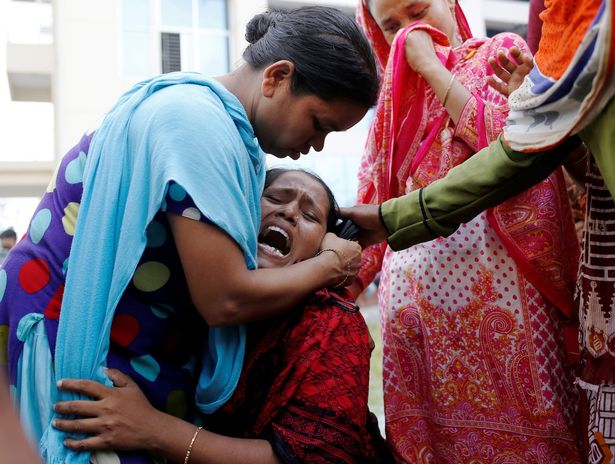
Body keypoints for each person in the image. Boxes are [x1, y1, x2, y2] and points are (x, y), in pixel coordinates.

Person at [0, 7, 379, 463]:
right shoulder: (197, 124)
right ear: (277, 76)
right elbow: (226, 300)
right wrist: (331, 264)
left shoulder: (224, 132)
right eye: (319, 123)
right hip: (70, 347)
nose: (317, 145)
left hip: (126, 355)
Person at [342, 0, 615, 460]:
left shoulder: (500, 54)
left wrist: (431, 68)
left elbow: (514, 150)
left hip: (503, 299)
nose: (411, 32)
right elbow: (374, 199)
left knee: (533, 433)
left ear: (449, 3)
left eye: (418, 10)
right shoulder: (392, 101)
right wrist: (337, 283)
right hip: (415, 312)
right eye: (393, 27)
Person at [50, 168, 392, 464]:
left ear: (322, 248)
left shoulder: (331, 323)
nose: (289, 212)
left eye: (310, 215)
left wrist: (153, 430)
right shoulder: (198, 297)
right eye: (275, 198)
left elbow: (316, 459)